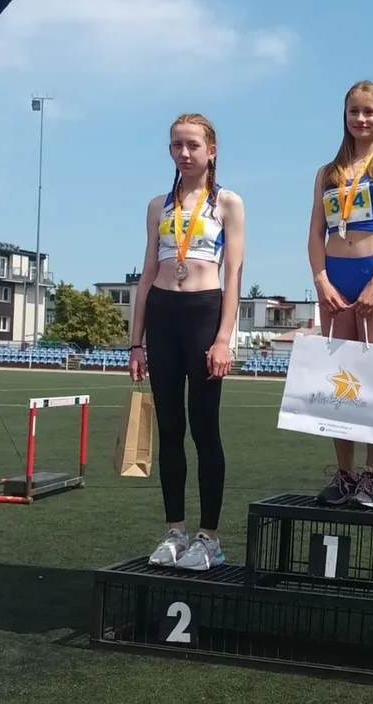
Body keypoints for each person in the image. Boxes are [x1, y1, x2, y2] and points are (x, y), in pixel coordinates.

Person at [127, 113, 245, 571]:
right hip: (162, 313)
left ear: (211, 151)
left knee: (204, 428)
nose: (185, 153)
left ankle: (209, 537)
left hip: (204, 313)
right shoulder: (158, 206)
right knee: (170, 428)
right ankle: (174, 530)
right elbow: (146, 273)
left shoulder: (227, 203)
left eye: (193, 145)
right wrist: (135, 343)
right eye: (177, 145)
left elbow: (234, 275)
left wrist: (223, 338)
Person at [306, 80, 373, 509]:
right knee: (340, 383)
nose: (361, 118)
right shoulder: (327, 172)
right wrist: (321, 280)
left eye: (369, 111)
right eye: (354, 111)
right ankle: (344, 474)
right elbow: (315, 233)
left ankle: (372, 476)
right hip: (334, 277)